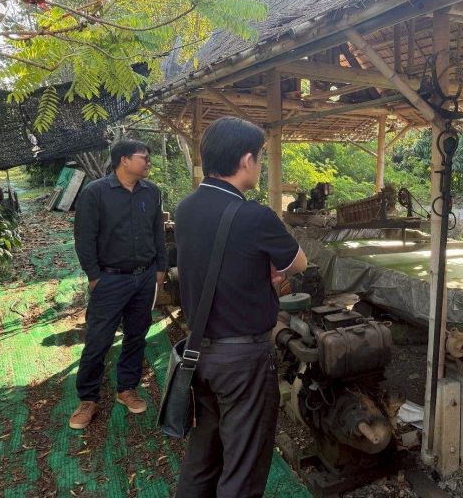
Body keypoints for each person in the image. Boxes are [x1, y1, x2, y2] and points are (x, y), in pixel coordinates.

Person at [174, 116, 307, 498]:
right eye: (260, 157)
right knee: (243, 467)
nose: (260, 165)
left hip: (198, 352)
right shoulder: (254, 215)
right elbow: (298, 262)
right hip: (243, 361)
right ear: (247, 160)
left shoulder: (185, 208)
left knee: (204, 455)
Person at [71, 139, 167, 429]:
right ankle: (88, 399)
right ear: (124, 160)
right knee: (98, 340)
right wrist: (94, 275)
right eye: (143, 157)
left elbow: (158, 232)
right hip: (110, 278)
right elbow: (84, 238)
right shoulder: (95, 193)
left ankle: (127, 389)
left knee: (137, 335)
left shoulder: (152, 192)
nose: (148, 162)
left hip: (145, 277)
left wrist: (160, 268)